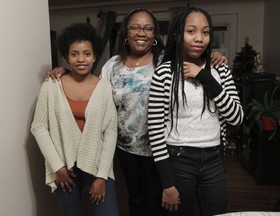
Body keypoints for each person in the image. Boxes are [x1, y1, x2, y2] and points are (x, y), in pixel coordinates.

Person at [46, 8, 228, 216]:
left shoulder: (165, 61)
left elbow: (195, 57)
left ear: (154, 35)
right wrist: (65, 72)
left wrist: (214, 54)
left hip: (162, 148)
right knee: (134, 198)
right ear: (125, 33)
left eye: (148, 28)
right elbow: (92, 87)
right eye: (135, 27)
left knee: (164, 201)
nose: (142, 33)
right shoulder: (112, 66)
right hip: (125, 149)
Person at [147, 6, 244, 216]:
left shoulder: (221, 69)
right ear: (178, 35)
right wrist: (167, 183)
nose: (199, 38)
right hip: (178, 159)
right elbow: (155, 131)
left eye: (205, 32)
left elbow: (236, 118)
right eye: (191, 31)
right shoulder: (164, 73)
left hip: (214, 160)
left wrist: (205, 76)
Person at [31, 23, 119, 216]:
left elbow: (110, 131)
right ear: (67, 57)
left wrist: (102, 176)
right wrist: (58, 166)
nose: (81, 59)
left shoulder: (104, 88)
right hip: (65, 167)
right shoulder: (51, 86)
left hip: (97, 165)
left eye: (87, 54)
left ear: (94, 56)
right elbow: (39, 127)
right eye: (74, 54)